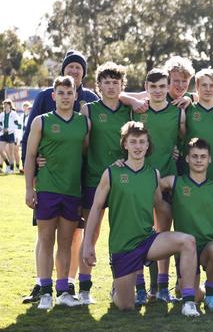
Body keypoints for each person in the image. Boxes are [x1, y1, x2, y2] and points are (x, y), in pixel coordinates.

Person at [82, 121, 200, 316]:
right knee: (126, 306)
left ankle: (188, 302)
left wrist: (189, 208)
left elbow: (160, 205)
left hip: (148, 241)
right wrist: (88, 244)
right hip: (123, 247)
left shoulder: (154, 174)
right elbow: (95, 208)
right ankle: (117, 288)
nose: (137, 146)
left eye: (142, 142)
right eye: (133, 141)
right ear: (125, 144)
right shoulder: (112, 172)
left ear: (147, 145)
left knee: (188, 241)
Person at [21, 50, 99, 303]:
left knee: (67, 241)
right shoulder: (42, 116)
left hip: (73, 190)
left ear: (77, 93)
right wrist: (30, 185)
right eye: (61, 92)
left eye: (70, 92)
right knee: (45, 239)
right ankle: (44, 290)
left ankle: (65, 289)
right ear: (53, 95)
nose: (66, 96)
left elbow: (86, 151)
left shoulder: (83, 120)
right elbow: (30, 152)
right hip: (47, 188)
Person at [159, 137, 213, 312]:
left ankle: (211, 294)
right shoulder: (175, 182)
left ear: (209, 159)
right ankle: (187, 287)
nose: (199, 160)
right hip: (186, 249)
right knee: (193, 296)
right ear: (187, 159)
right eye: (194, 156)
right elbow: (150, 185)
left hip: (208, 247)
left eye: (203, 156)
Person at [77, 62, 132, 304]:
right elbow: (82, 145)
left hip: (122, 179)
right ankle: (85, 288)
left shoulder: (128, 110)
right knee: (91, 234)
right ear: (98, 86)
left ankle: (117, 286)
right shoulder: (88, 109)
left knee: (121, 235)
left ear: (122, 85)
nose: (111, 87)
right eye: (106, 82)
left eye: (115, 82)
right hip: (93, 179)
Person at [132, 68, 186, 303]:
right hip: (141, 180)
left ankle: (161, 287)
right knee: (139, 233)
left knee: (163, 233)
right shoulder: (137, 111)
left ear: (168, 87)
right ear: (146, 88)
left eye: (162, 87)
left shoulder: (178, 113)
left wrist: (176, 152)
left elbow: (183, 142)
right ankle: (141, 286)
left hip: (168, 179)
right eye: (152, 87)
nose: (157, 91)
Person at [183, 68, 213, 299]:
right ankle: (184, 278)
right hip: (192, 177)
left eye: (212, 85)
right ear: (196, 87)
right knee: (189, 228)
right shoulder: (188, 109)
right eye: (203, 85)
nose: (208, 89)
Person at [1, 99, 20, 173]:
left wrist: (9, 129)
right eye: (4, 105)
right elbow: (0, 124)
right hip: (3, 134)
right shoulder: (2, 114)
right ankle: (8, 164)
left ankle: (12, 168)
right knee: (1, 149)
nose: (5, 106)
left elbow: (17, 124)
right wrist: (2, 129)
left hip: (11, 134)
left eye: (6, 104)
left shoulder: (14, 114)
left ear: (10, 105)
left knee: (11, 152)